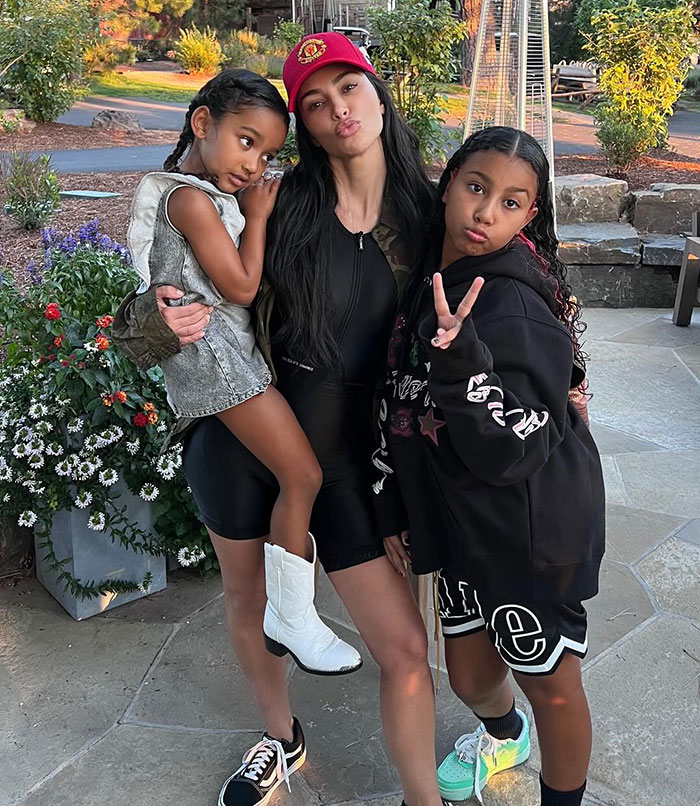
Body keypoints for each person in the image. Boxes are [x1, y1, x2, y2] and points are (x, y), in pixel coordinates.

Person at [113, 33, 445, 806]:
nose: (337, 111)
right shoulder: (274, 199)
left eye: (349, 90)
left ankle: (422, 798)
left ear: (377, 93)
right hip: (242, 436)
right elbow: (151, 297)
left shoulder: (423, 213)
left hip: (354, 462)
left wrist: (564, 374)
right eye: (316, 102)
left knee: (402, 648)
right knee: (248, 601)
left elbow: (499, 279)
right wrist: (156, 319)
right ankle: (281, 737)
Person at [373, 127, 605, 806]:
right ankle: (505, 734)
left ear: (529, 216)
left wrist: (461, 361)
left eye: (510, 202)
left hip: (528, 531)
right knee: (472, 676)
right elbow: (398, 402)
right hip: (462, 526)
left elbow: (518, 444)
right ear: (448, 184)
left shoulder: (511, 302)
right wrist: (397, 507)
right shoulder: (432, 278)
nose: (485, 213)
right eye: (476, 188)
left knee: (554, 688)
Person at [128, 67, 361, 678]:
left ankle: (290, 612)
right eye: (246, 141)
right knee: (303, 473)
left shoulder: (200, 197)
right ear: (203, 124)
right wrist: (257, 218)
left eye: (269, 153)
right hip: (215, 363)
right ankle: (291, 613)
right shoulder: (189, 200)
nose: (256, 164)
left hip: (223, 360)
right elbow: (240, 284)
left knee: (298, 475)